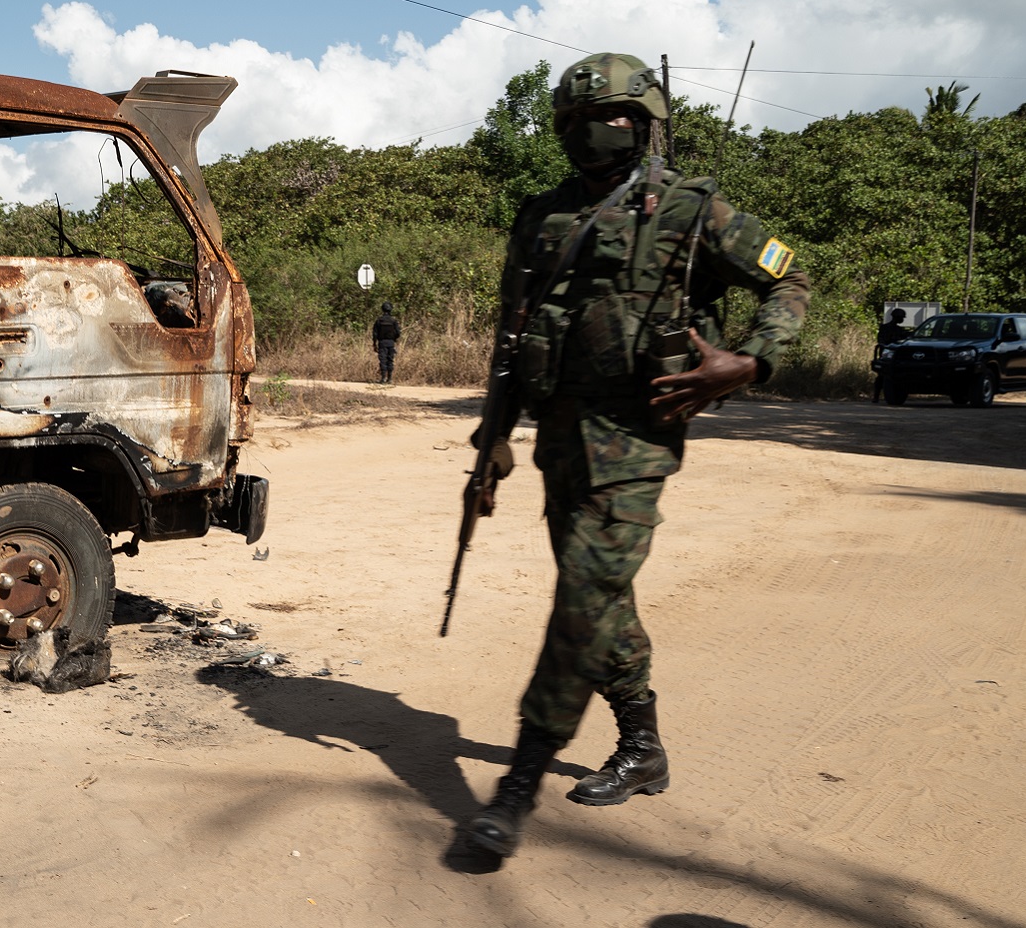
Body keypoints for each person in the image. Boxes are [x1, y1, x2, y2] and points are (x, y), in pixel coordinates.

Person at [461, 53, 810, 859]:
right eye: (580, 125)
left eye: (613, 121)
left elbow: (789, 283)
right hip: (559, 440)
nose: (596, 136)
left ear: (646, 123)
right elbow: (512, 341)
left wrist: (752, 360)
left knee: (582, 598)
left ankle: (519, 780)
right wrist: (492, 444)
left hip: (639, 442)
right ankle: (643, 746)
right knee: (600, 600)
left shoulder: (693, 209)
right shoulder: (541, 217)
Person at [872, 308, 913, 402]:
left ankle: (876, 396)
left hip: (889, 355)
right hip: (887, 355)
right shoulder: (889, 329)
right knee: (882, 376)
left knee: (882, 376)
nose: (902, 319)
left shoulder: (895, 329)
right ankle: (876, 396)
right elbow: (882, 340)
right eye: (901, 317)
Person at [372, 302, 402, 383]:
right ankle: (390, 378)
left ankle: (383, 378)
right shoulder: (393, 321)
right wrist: (394, 339)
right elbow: (398, 333)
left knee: (383, 361)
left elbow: (375, 334)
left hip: (382, 343)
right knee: (390, 360)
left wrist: (374, 344)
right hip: (391, 343)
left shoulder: (379, 320)